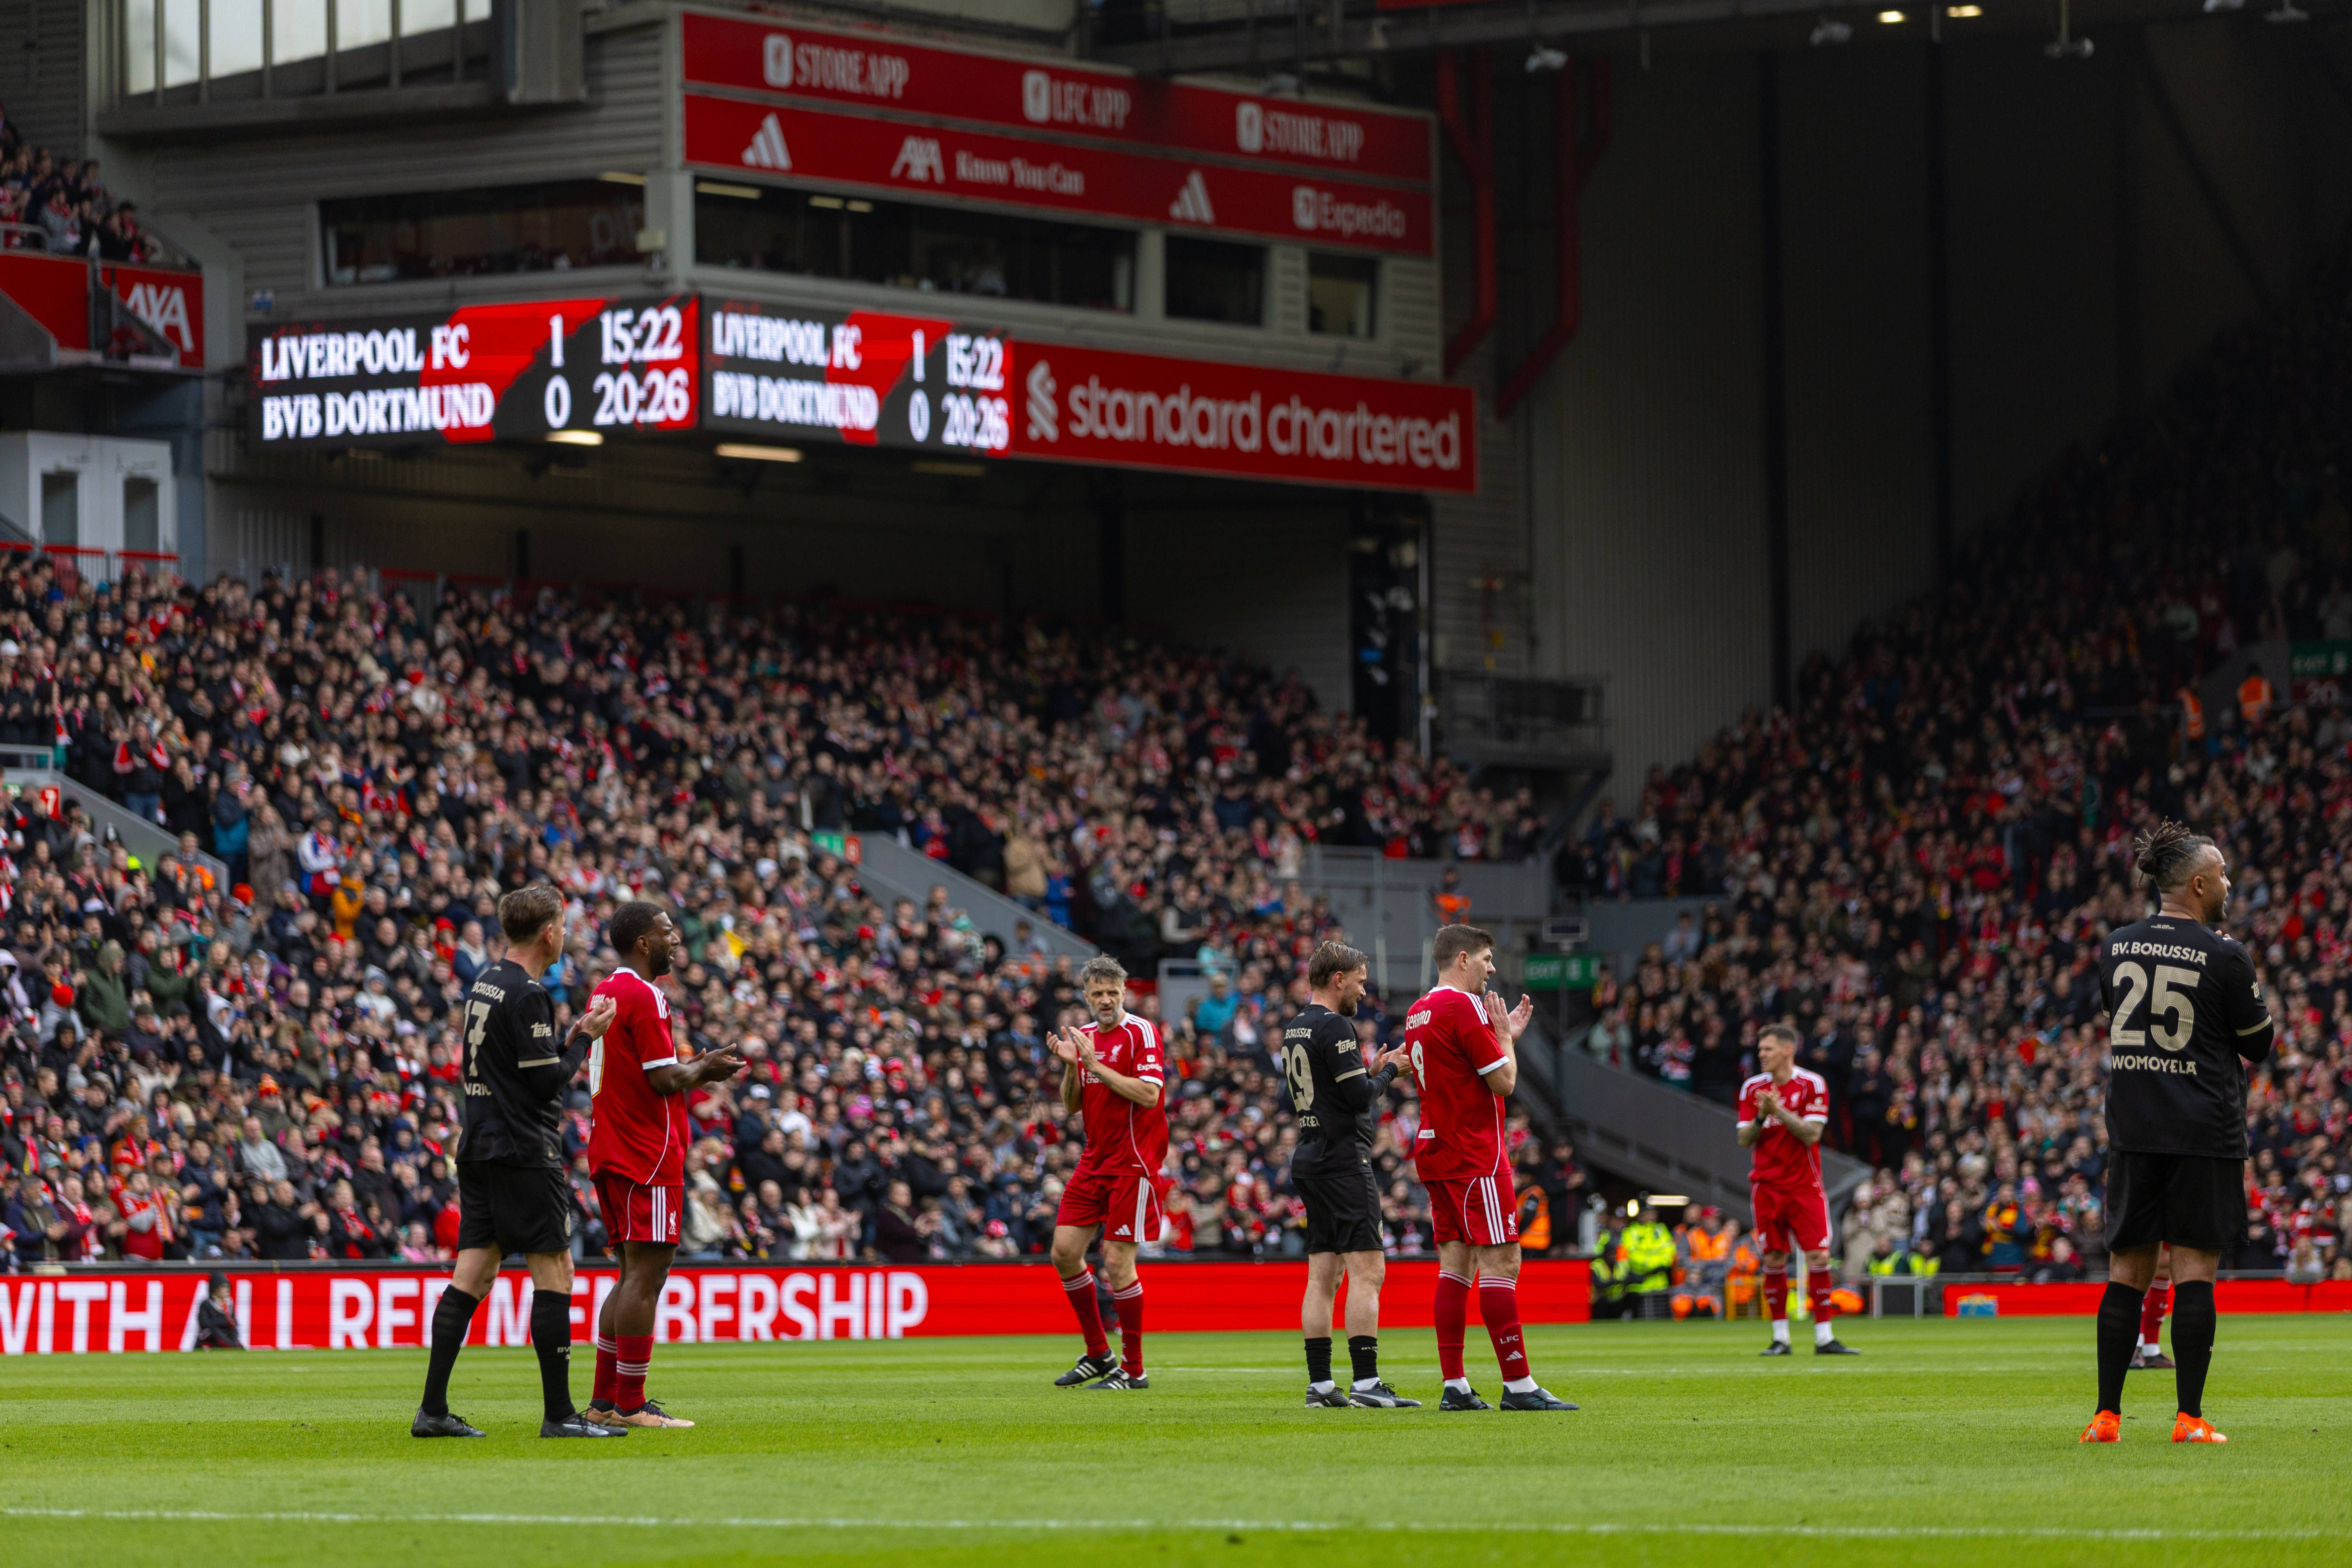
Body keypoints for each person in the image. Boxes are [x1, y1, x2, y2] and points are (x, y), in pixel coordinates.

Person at [2082, 822, 2272, 1446]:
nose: (2227, 883)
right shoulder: (2225, 955)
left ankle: (2106, 1417)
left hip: (2134, 1130)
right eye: (2220, 875)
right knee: (2194, 1270)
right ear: (2196, 883)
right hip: (2203, 1131)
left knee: (2125, 1272)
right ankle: (2189, 1418)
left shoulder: (2116, 946)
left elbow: (2117, 1014)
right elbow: (2260, 1045)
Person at [412, 884, 620, 1441]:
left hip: (478, 1143)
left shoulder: (484, 979)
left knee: (474, 1275)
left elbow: (520, 1064)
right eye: (564, 925)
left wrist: (567, 1037)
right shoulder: (529, 993)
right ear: (549, 932)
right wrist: (587, 1041)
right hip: (522, 1149)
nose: (567, 934)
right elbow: (544, 1083)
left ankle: (432, 1410)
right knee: (556, 1272)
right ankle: (559, 1415)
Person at [584, 900, 746, 1430]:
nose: (678, 941)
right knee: (646, 1279)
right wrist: (708, 1069)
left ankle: (605, 1401)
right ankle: (631, 1403)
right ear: (645, 943)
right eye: (669, 932)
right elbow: (661, 1080)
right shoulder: (643, 994)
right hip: (646, 1154)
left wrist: (695, 1064)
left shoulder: (605, 991)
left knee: (628, 1275)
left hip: (611, 1147)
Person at [1402, 923, 1577, 1411]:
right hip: (1475, 1154)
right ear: (1462, 959)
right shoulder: (1463, 1006)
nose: (1492, 968)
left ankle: (1455, 1384)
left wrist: (1500, 1036)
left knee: (1454, 1268)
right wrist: (1508, 1038)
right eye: (1485, 958)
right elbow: (1503, 1081)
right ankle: (1519, 1386)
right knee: (1502, 1262)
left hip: (1436, 1151)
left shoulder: (1418, 1011)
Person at [1280, 940, 1417, 1408]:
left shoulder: (1295, 1026)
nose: (1363, 987)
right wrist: (1390, 1072)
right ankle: (1365, 1383)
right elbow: (1359, 1097)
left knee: (1323, 1274)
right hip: (1343, 1160)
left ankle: (1320, 1386)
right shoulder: (1336, 1023)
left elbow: (1305, 1094)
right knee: (1368, 1270)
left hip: (1310, 1156)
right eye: (1359, 978)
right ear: (1338, 978)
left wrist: (1366, 1069)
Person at [1046, 955, 1167, 1391]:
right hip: (1095, 1159)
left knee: (1117, 1262)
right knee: (1063, 1252)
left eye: (1112, 992)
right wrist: (1070, 1065)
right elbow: (1073, 1104)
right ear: (1086, 995)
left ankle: (1134, 1370)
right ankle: (1099, 1353)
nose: (1105, 1000)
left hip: (1133, 1162)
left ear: (1124, 992)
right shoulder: (1087, 1038)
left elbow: (1150, 1095)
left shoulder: (1141, 1032)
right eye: (1097, 993)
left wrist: (1095, 1065)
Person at [1738, 1022, 1857, 1355]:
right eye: (1760, 1049)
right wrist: (1762, 1117)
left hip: (1805, 1185)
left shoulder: (1812, 1084)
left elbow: (1812, 1135)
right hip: (1766, 1186)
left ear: (1787, 1050)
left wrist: (1779, 1111)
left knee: (1819, 1255)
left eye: (1768, 1049)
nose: (1761, 1055)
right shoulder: (1752, 1089)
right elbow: (1743, 1138)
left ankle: (1824, 1337)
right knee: (1774, 1258)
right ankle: (1781, 1338)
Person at [193, 1271, 242, 1349]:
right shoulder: (206, 1304)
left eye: (228, 1287)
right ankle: (233, 1347)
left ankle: (233, 1346)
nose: (228, 1290)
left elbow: (234, 1320)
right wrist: (225, 1322)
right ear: (215, 1289)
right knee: (215, 1331)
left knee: (234, 1331)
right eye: (224, 1287)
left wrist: (233, 1323)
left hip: (225, 1333)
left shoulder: (229, 1303)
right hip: (209, 1334)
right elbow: (204, 1323)